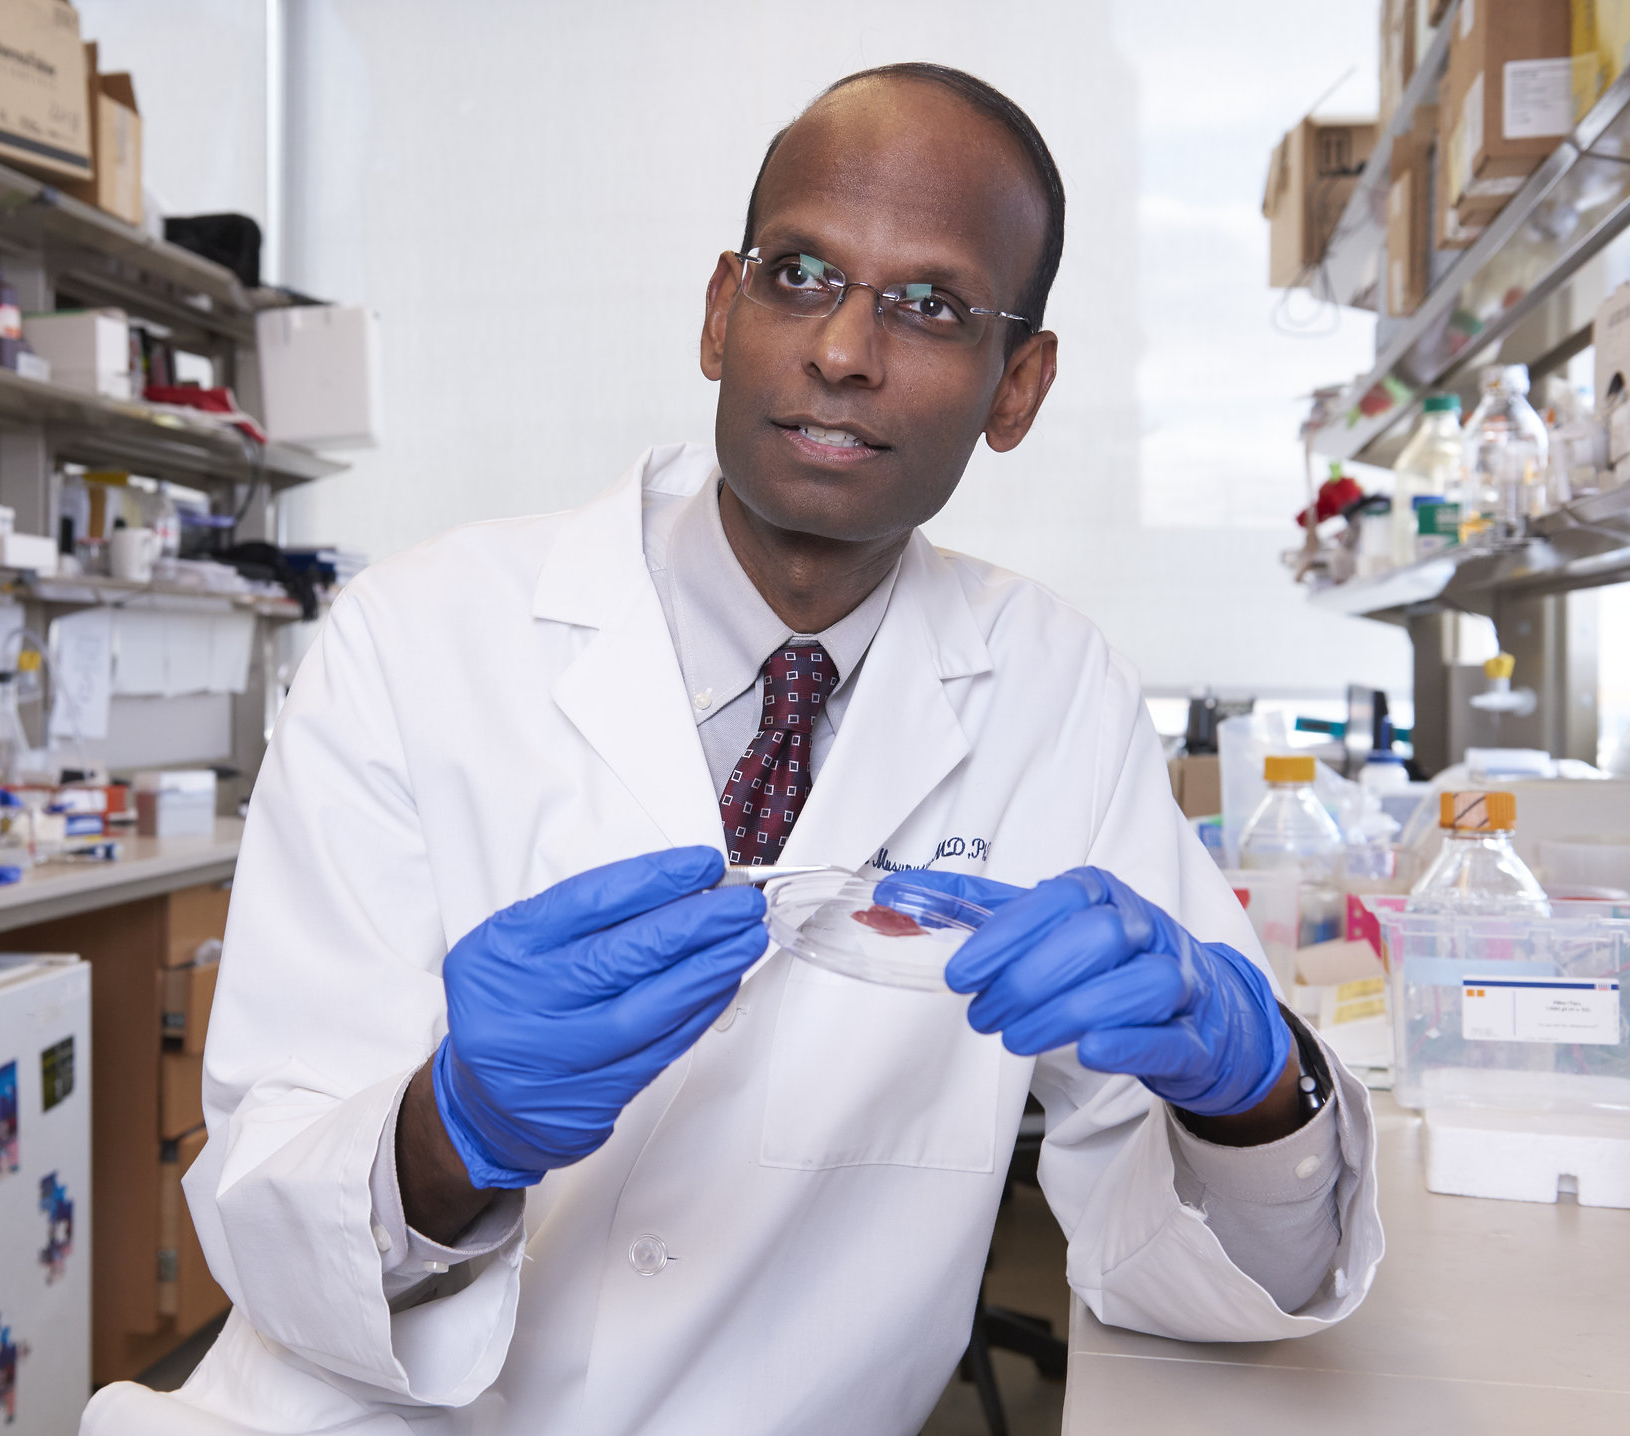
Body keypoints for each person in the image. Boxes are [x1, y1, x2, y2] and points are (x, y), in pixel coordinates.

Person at [83, 62, 1381, 1436]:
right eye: (801, 274)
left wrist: (1257, 1097)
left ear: (1021, 386)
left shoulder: (1051, 692)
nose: (841, 351)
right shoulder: (415, 639)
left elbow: (1184, 1271)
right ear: (721, 312)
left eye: (931, 306)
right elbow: (264, 1212)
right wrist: (447, 1132)